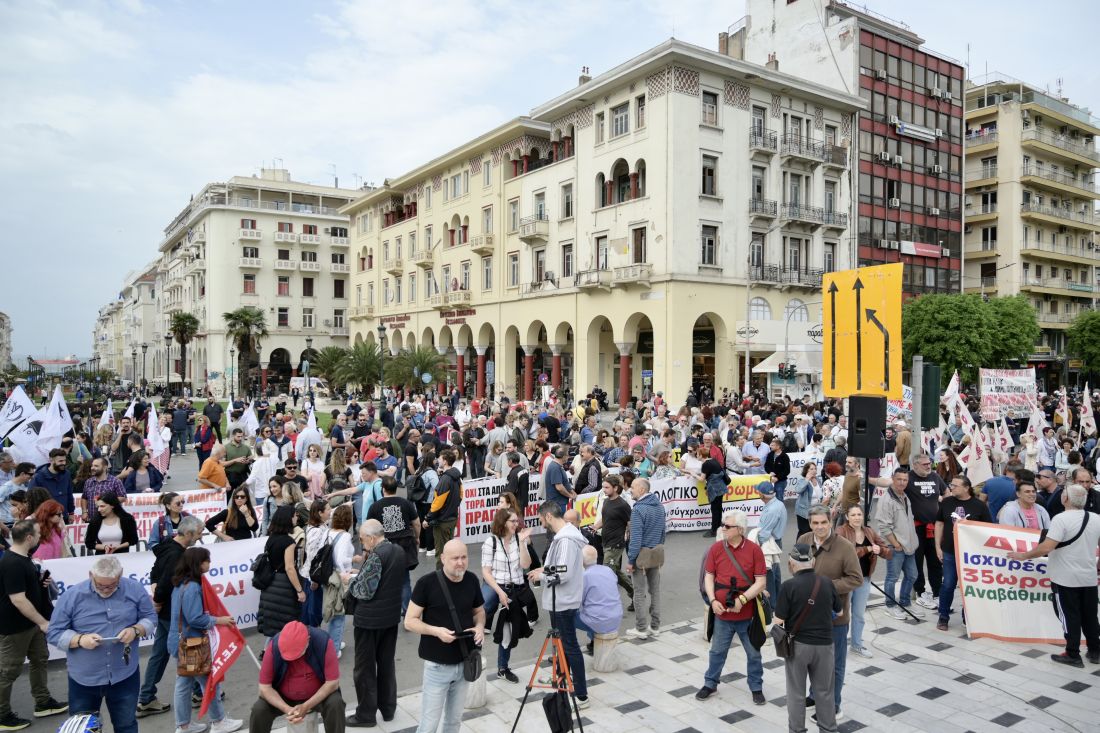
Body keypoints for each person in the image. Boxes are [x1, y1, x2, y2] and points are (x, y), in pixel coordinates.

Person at [46, 556, 156, 733]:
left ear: (120, 576)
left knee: (126, 725)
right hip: (84, 679)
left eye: (111, 585)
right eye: (100, 585)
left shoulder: (134, 589)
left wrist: (136, 630)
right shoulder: (72, 596)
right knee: (84, 728)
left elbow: (150, 617)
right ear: (91, 575)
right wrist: (80, 640)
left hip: (124, 674)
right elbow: (53, 633)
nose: (105, 589)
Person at [1007, 484, 1100, 667]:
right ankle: (1095, 650)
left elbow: (1047, 547)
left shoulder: (1061, 519)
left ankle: (1072, 653)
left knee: (1068, 615)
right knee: (1090, 615)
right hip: (1088, 576)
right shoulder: (1096, 518)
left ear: (1065, 499)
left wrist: (1023, 556)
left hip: (1065, 577)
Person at [404, 539, 486, 732]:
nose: (460, 562)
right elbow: (409, 621)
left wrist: (480, 626)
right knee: (429, 725)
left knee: (453, 722)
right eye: (455, 558)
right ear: (443, 559)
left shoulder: (472, 580)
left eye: (464, 557)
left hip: (464, 662)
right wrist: (436, 631)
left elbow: (479, 612)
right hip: (437, 667)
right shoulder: (427, 583)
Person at [0, 520, 67, 730]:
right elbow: (18, 599)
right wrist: (42, 622)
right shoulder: (12, 562)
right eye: (38, 533)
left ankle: (43, 701)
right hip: (15, 627)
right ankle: (2, 715)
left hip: (31, 624)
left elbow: (25, 590)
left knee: (40, 659)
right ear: (29, 537)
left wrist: (40, 584)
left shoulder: (24, 559)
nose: (40, 536)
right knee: (8, 671)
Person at [167, 547, 242, 733]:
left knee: (184, 684)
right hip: (193, 644)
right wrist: (219, 620)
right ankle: (218, 721)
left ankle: (183, 725)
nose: (209, 563)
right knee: (210, 681)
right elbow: (195, 618)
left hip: (181, 642)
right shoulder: (193, 587)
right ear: (198, 563)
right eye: (207, 560)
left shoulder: (180, 584)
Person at [796, 505, 861, 719]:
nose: (820, 527)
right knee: (813, 660)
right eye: (815, 523)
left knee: (834, 665)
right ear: (809, 523)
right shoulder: (804, 540)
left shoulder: (845, 547)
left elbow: (855, 579)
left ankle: (833, 705)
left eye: (823, 522)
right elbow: (793, 565)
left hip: (835, 618)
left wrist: (825, 587)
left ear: (830, 521)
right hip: (808, 616)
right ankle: (814, 695)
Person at [696, 509, 767, 704]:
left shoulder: (754, 550)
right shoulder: (717, 548)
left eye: (727, 526)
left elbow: (761, 582)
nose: (723, 529)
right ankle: (710, 683)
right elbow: (709, 576)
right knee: (717, 651)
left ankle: (756, 686)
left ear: (740, 529)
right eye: (723, 525)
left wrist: (742, 600)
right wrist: (712, 601)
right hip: (721, 614)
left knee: (753, 653)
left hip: (748, 614)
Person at [137, 515, 204, 718]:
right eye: (199, 533)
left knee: (160, 654)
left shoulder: (167, 545)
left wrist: (156, 593)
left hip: (166, 612)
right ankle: (199, 691)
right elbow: (166, 581)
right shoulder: (177, 555)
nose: (200, 537)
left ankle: (146, 697)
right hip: (173, 613)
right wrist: (157, 598)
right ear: (189, 533)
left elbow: (155, 572)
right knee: (187, 651)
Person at [527, 503, 589, 708]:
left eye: (541, 520)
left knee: (569, 646)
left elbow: (562, 573)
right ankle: (562, 680)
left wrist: (541, 575)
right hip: (561, 600)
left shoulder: (565, 541)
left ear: (548, 516)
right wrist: (543, 569)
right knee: (563, 646)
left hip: (563, 601)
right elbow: (561, 566)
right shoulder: (565, 538)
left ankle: (581, 695)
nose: (541, 523)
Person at [775, 543, 842, 733]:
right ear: (813, 561)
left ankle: (797, 730)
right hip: (825, 645)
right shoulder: (826, 582)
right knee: (824, 692)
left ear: (791, 563)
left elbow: (779, 620)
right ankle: (828, 729)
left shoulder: (788, 586)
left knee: (796, 693)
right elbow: (840, 610)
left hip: (799, 646)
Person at [346, 519, 405, 727]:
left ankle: (366, 715)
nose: (362, 544)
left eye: (362, 539)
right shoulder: (397, 550)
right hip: (390, 618)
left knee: (364, 669)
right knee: (387, 664)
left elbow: (365, 590)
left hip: (369, 621)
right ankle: (388, 709)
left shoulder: (377, 555)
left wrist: (350, 581)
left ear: (371, 538)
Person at [250, 620, 345, 733]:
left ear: (308, 641)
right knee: (259, 709)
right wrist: (287, 709)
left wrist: (306, 706)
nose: (293, 660)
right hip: (284, 697)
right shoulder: (274, 645)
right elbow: (264, 688)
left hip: (317, 694)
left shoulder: (323, 641)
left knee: (335, 703)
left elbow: (332, 683)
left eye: (296, 654)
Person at [480, 507, 533, 683]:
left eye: (517, 521)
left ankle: (503, 668)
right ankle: (471, 660)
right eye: (513, 521)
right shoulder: (491, 542)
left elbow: (525, 565)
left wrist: (524, 544)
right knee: (479, 617)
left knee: (508, 630)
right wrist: (499, 591)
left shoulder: (519, 540)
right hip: (496, 587)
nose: (517, 524)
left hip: (514, 590)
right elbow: (486, 572)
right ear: (503, 522)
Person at [934, 475, 992, 631]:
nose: (951, 487)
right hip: (949, 552)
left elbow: (988, 530)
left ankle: (967, 617)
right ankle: (943, 616)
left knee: (969, 587)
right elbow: (939, 524)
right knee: (947, 584)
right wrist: (937, 547)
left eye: (955, 485)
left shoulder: (979, 506)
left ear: (967, 488)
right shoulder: (946, 502)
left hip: (971, 555)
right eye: (951, 484)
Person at [836, 505, 889, 658]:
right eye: (853, 515)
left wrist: (881, 549)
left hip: (864, 579)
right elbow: (847, 554)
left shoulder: (869, 531)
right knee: (843, 615)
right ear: (847, 517)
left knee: (859, 614)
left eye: (859, 514)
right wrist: (868, 549)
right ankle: (838, 645)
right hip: (846, 580)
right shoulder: (841, 531)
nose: (857, 517)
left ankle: (856, 645)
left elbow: (887, 551)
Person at [366, 475, 420, 616]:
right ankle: (407, 611)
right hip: (404, 546)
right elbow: (416, 522)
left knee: (383, 579)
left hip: (384, 548)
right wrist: (417, 537)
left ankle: (387, 609)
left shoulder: (375, 507)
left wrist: (368, 549)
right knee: (404, 581)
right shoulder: (406, 503)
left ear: (383, 489)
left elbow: (369, 528)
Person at [874, 467, 922, 620]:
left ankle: (905, 603)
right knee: (892, 577)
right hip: (896, 546)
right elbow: (883, 526)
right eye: (899, 479)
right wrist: (895, 544)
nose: (902, 482)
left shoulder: (904, 496)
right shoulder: (886, 499)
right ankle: (890, 606)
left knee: (912, 575)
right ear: (893, 479)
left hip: (909, 546)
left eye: (905, 480)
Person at [625, 477, 666, 639]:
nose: (630, 490)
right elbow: (663, 532)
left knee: (639, 592)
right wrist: (658, 546)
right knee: (655, 590)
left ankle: (641, 628)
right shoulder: (659, 506)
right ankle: (655, 626)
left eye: (633, 487)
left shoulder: (638, 510)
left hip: (640, 556)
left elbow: (635, 539)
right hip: (656, 552)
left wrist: (630, 561)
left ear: (642, 490)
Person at [259, 507, 305, 642]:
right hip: (284, 587)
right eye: (295, 516)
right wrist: (300, 590)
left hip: (270, 585)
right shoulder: (289, 542)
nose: (297, 518)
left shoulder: (271, 538)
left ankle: (269, 653)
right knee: (286, 626)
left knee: (274, 626)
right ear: (288, 519)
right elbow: (290, 567)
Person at [576, 544, 623, 655]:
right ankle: (593, 642)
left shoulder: (584, 576)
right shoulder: (608, 570)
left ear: (581, 561)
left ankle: (569, 648)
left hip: (600, 621)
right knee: (593, 610)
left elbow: (578, 601)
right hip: (616, 617)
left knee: (566, 617)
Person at [592, 475, 633, 597]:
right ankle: (634, 593)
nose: (604, 490)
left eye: (607, 487)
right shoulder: (605, 501)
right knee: (614, 571)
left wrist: (627, 534)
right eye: (603, 487)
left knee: (607, 572)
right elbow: (605, 519)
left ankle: (605, 599)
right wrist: (595, 527)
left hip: (616, 544)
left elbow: (630, 522)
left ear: (615, 488)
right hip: (605, 540)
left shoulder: (622, 505)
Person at [427, 449, 462, 568]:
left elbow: (437, 502)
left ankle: (441, 577)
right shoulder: (457, 476)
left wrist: (428, 518)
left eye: (440, 458)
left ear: (445, 461)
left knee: (441, 553)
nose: (438, 460)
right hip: (452, 518)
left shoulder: (445, 479)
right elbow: (461, 495)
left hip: (442, 521)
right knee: (449, 550)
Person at [755, 479, 787, 603]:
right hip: (774, 541)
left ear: (762, 495)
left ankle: (771, 603)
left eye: (758, 492)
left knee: (769, 574)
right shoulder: (777, 504)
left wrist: (756, 546)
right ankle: (777, 600)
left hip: (769, 543)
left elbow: (764, 533)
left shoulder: (772, 510)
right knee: (775, 572)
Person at [29, 449, 75, 521]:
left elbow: (69, 494)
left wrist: (71, 512)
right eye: (60, 461)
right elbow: (32, 498)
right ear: (51, 460)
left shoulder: (66, 474)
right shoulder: (38, 477)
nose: (64, 463)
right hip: (46, 518)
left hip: (63, 516)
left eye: (65, 460)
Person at [79, 457, 126, 521]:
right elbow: (84, 498)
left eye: (96, 466)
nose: (92, 468)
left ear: (105, 467)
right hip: (92, 520)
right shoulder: (88, 482)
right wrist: (84, 512)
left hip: (110, 520)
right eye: (92, 466)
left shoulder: (115, 481)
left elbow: (123, 497)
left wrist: (105, 501)